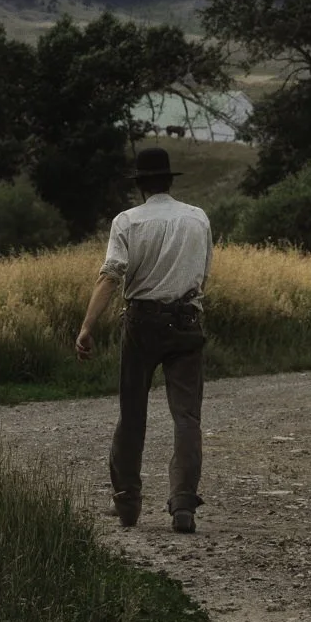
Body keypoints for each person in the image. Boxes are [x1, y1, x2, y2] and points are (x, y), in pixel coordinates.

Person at [75, 146, 213, 533]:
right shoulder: (197, 218)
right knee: (186, 416)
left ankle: (128, 503)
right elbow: (203, 275)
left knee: (132, 413)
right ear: (170, 181)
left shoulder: (128, 221)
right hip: (187, 318)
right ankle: (183, 503)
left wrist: (87, 326)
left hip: (141, 322)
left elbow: (110, 275)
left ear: (141, 186)